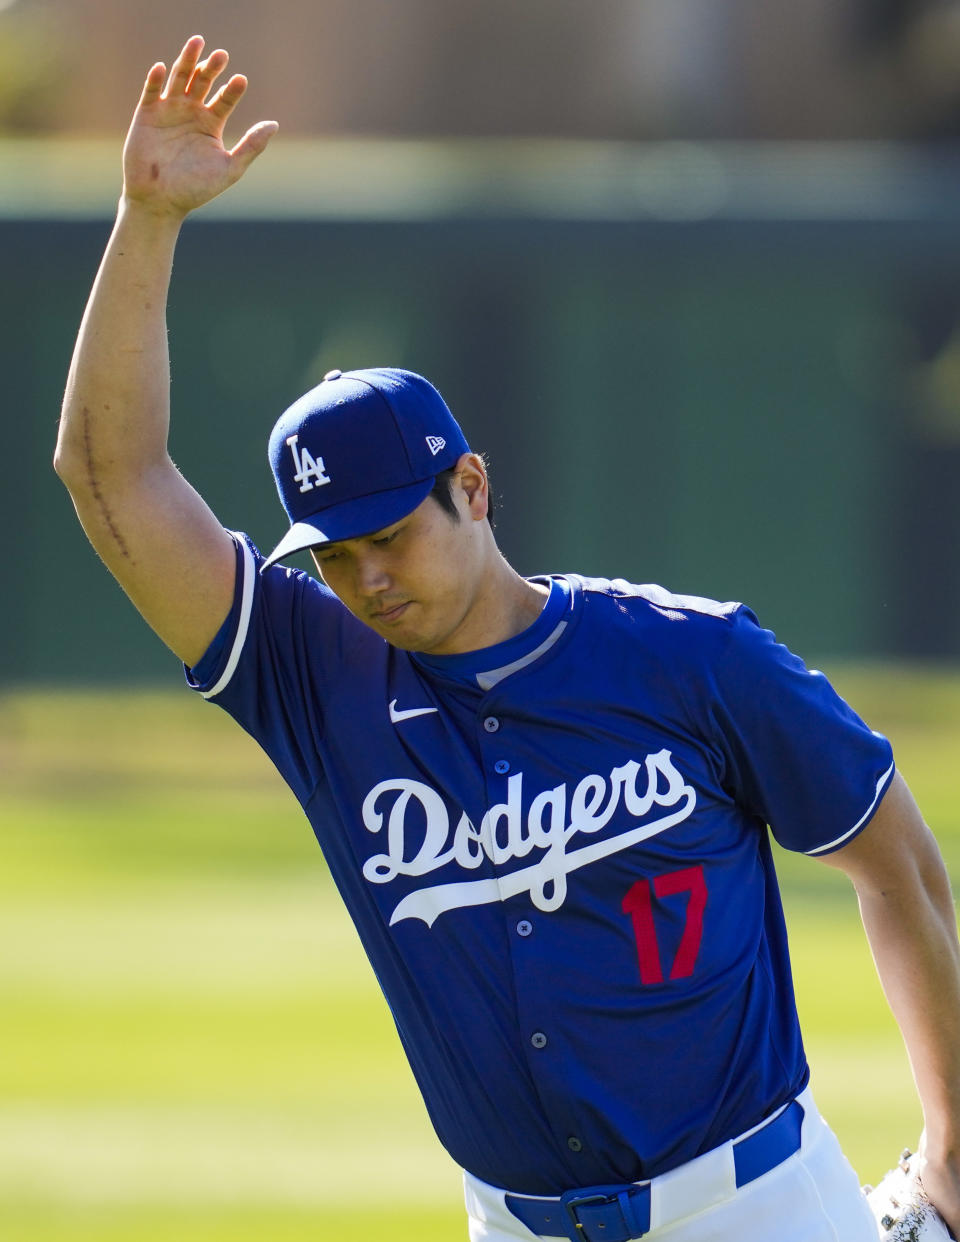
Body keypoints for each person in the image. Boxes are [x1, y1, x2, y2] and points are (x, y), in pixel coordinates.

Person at [55, 37, 960, 1242]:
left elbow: (896, 864)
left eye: (389, 534)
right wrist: (148, 218)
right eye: (333, 554)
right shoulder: (313, 677)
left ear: (471, 489)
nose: (367, 577)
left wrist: (952, 1152)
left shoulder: (690, 657)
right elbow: (108, 472)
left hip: (756, 1207)